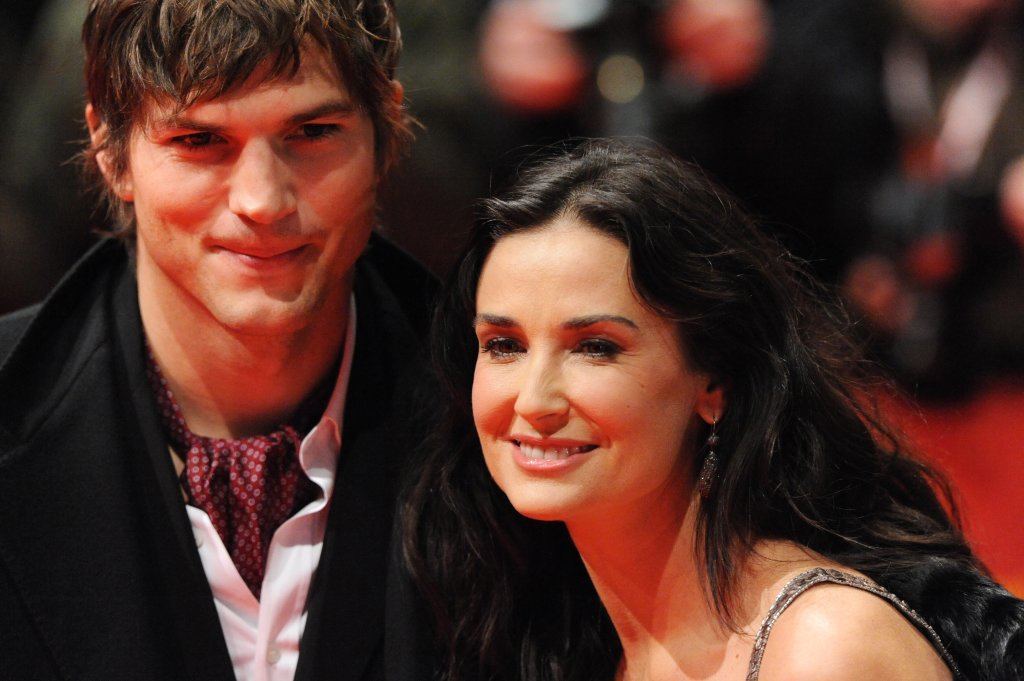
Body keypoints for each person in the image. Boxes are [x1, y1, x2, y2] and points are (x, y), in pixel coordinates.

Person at [403, 139, 1024, 680]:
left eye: (596, 347)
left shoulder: (825, 647)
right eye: (503, 345)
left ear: (715, 382)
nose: (533, 400)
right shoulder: (548, 638)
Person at [0, 1, 436, 679]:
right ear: (110, 152)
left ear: (385, 133)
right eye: (200, 141)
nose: (263, 200)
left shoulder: (495, 421)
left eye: (313, 132)